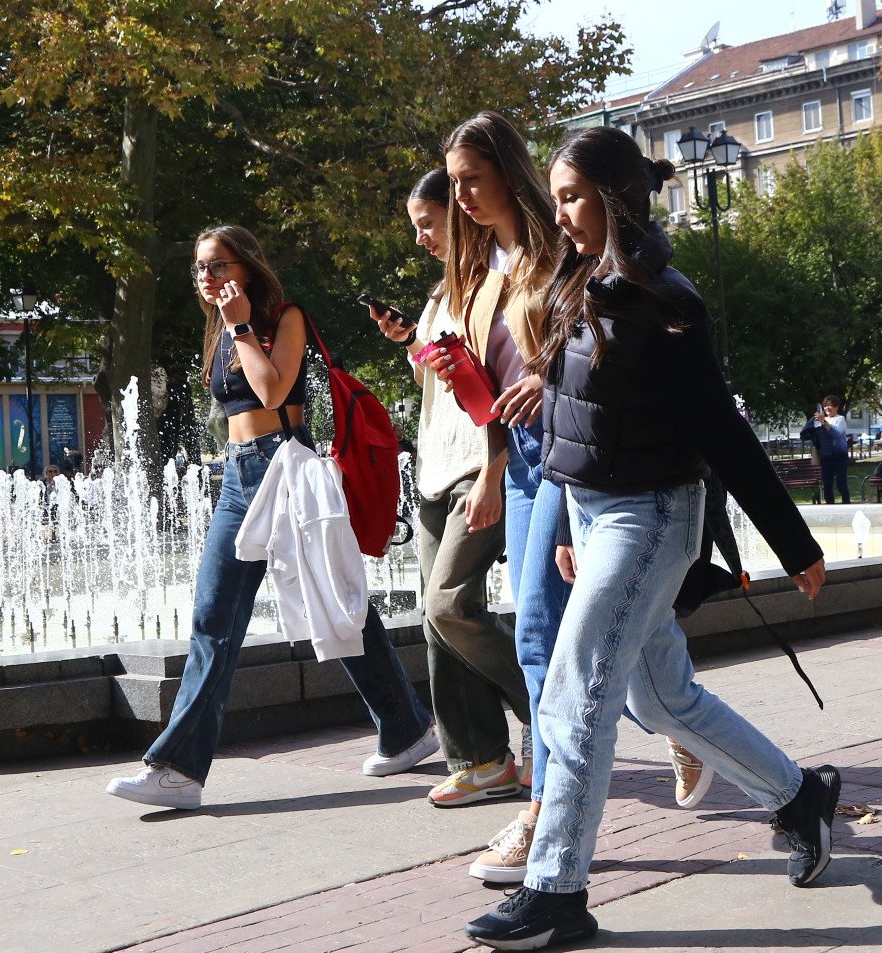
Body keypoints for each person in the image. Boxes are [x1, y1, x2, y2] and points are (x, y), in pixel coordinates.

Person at [464, 128, 840, 950]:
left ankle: (557, 891)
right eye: (558, 198)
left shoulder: (667, 300)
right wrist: (567, 521)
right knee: (657, 698)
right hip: (597, 518)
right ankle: (798, 796)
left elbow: (722, 432)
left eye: (569, 197)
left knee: (575, 691)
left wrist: (794, 543)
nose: (557, 214)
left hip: (652, 517)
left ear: (614, 196)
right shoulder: (576, 282)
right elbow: (571, 421)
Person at [106, 224, 436, 810]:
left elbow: (273, 390)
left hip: (283, 469)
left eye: (218, 266)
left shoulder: (286, 316)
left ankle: (405, 728)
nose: (207, 278)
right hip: (239, 473)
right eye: (200, 269)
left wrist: (239, 326)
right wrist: (228, 327)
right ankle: (405, 728)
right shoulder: (220, 330)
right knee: (216, 615)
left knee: (330, 600)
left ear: (248, 266)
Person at [368, 169, 532, 808]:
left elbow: (496, 389)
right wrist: (411, 339)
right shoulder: (444, 293)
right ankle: (483, 759)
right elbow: (450, 383)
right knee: (438, 625)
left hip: (476, 471)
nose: (420, 238)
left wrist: (494, 473)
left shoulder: (493, 287)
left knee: (448, 606)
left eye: (427, 223)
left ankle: (552, 712)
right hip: (436, 471)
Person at [802, 396, 851, 504]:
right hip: (826, 456)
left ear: (836, 406)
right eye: (825, 406)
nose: (827, 408)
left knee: (841, 484)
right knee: (827, 484)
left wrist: (823, 421)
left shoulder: (840, 419)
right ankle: (830, 505)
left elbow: (836, 434)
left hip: (839, 456)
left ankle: (847, 504)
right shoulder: (820, 420)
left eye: (830, 405)